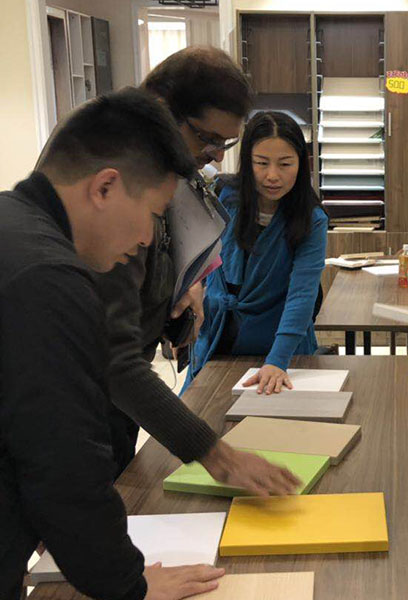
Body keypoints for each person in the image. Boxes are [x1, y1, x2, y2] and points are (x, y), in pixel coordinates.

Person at [0, 89, 227, 600]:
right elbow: (64, 466)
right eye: (153, 213)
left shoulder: (13, 229)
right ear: (104, 187)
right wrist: (129, 585)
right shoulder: (50, 278)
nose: (147, 238)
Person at [94, 47, 299, 495]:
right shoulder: (111, 171)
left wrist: (179, 285)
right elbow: (112, 358)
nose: (217, 157)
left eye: (226, 144)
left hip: (121, 386)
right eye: (208, 139)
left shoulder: (155, 158)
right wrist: (216, 455)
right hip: (84, 396)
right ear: (162, 108)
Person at [185, 111, 328, 395]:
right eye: (261, 163)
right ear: (247, 161)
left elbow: (302, 294)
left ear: (301, 164)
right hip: (218, 341)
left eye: (285, 164)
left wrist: (277, 361)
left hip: (281, 348)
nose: (272, 175)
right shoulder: (224, 197)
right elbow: (197, 257)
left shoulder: (311, 220)